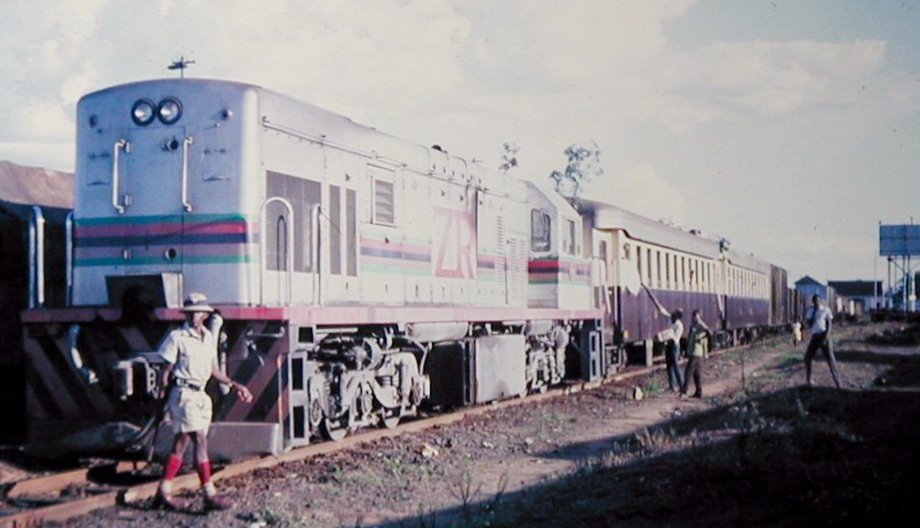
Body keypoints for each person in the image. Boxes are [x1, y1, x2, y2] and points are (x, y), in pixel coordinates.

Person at [155, 292, 254, 511]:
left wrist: (235, 384)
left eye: (198, 312)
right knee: (200, 440)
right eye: (190, 312)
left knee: (181, 444)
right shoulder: (176, 338)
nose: (194, 316)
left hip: (200, 396)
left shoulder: (208, 337)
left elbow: (213, 370)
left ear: (204, 315)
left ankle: (163, 491)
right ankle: (209, 493)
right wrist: (162, 398)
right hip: (183, 394)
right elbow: (166, 371)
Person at [803, 294, 842, 389]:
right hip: (815, 337)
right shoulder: (810, 311)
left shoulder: (826, 310)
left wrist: (826, 337)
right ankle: (809, 381)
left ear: (820, 301)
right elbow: (809, 325)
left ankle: (838, 384)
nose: (816, 302)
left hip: (824, 336)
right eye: (814, 300)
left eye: (818, 300)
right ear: (812, 301)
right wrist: (813, 315)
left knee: (831, 360)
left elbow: (829, 325)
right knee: (807, 357)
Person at [680, 310, 711, 399]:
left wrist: (706, 353)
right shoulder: (694, 326)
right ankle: (699, 392)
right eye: (694, 317)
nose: (695, 318)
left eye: (696, 317)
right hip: (696, 353)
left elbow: (704, 340)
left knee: (688, 373)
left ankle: (684, 392)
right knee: (696, 374)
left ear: (699, 317)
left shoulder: (701, 327)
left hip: (696, 353)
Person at [658, 308, 685, 392]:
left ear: (677, 317)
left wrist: (662, 336)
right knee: (669, 365)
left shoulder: (679, 325)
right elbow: (663, 311)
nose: (672, 314)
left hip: (674, 345)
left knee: (675, 365)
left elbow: (673, 337)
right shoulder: (672, 320)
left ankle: (681, 385)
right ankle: (672, 386)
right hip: (669, 345)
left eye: (675, 314)